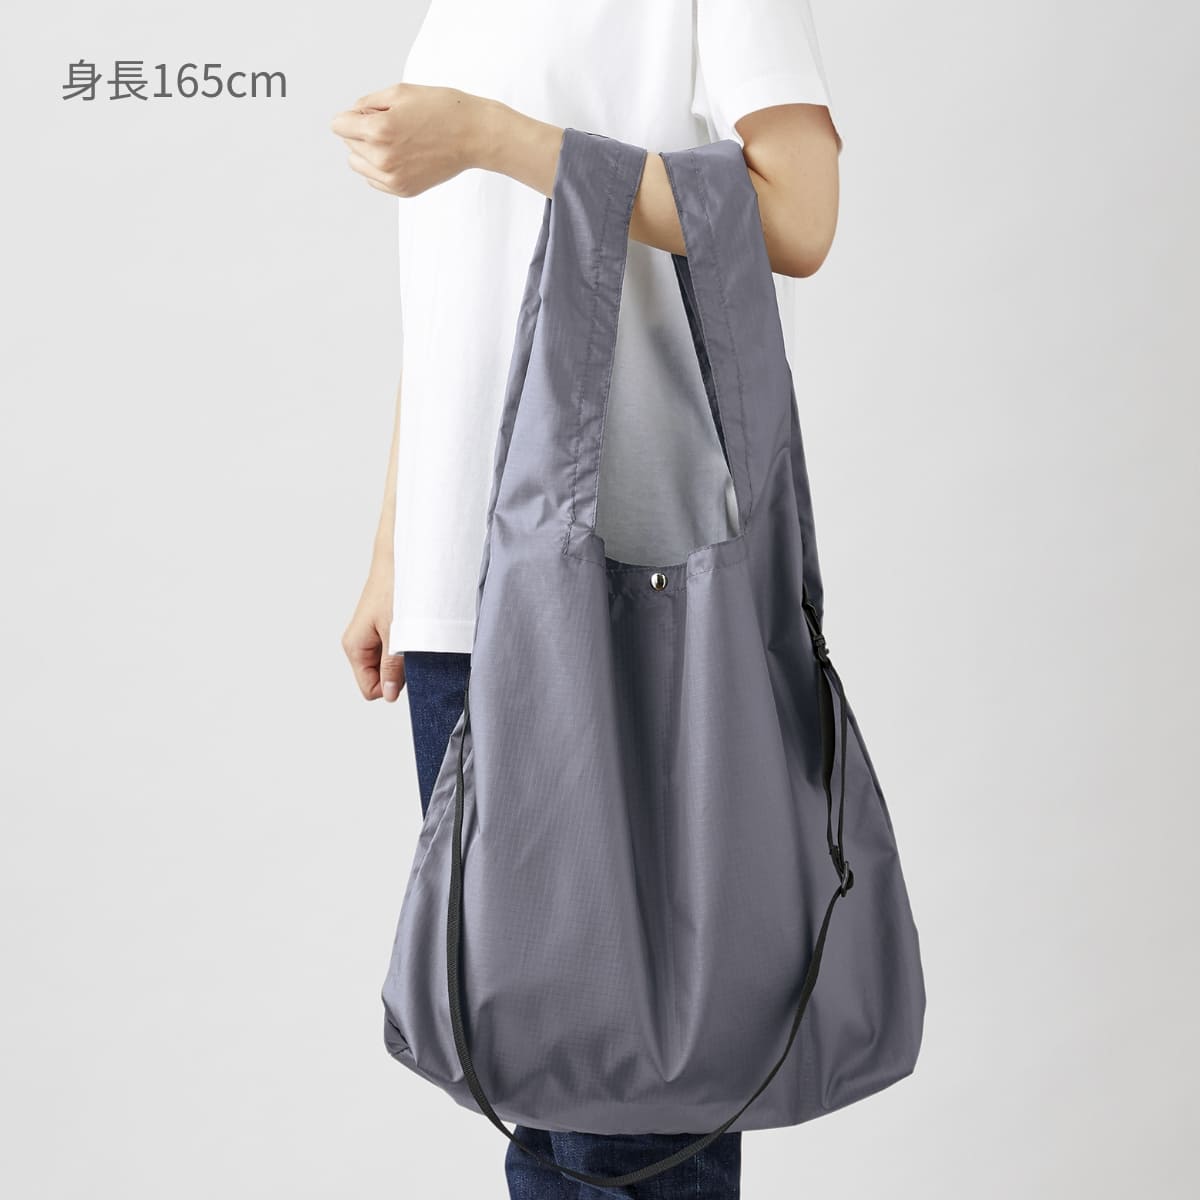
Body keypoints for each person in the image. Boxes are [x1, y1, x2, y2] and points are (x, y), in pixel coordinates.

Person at [332, 2, 841, 1195]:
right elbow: (459, 284)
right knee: (540, 1099)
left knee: (636, 1113)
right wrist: (397, 550)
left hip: (631, 578)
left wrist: (494, 136)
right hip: (463, 594)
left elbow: (800, 214)